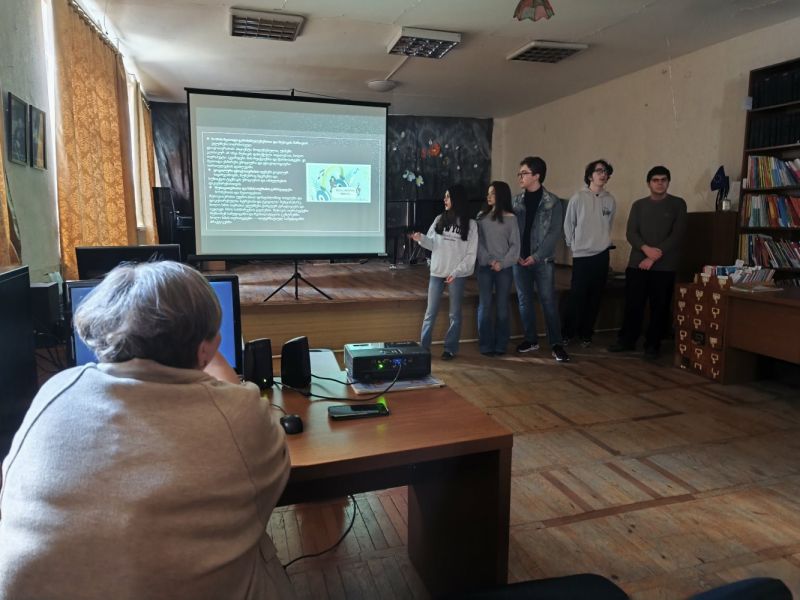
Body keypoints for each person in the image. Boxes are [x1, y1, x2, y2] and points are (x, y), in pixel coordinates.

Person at [0, 262, 295, 600]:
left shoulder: (55, 390)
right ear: (207, 348)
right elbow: (274, 477)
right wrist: (213, 362)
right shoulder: (240, 412)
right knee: (258, 546)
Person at [609, 165, 687, 360]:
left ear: (668, 182)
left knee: (660, 307)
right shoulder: (639, 205)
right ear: (648, 183)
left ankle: (653, 345)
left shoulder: (678, 204)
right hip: (638, 263)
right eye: (655, 180)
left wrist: (653, 256)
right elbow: (631, 233)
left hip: (664, 265)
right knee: (633, 304)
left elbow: (677, 234)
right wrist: (645, 249)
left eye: (663, 180)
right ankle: (627, 340)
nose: (659, 183)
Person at [512, 156, 570, 362]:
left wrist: (536, 256)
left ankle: (556, 344)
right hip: (519, 260)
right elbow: (510, 230)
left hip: (542, 261)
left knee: (548, 301)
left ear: (537, 175)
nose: (520, 177)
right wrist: (516, 254)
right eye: (519, 173)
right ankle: (530, 339)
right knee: (524, 301)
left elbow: (554, 233)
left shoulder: (552, 202)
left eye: (524, 173)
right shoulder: (516, 201)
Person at [411, 184, 478, 360]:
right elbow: (432, 244)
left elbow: (471, 255)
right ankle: (424, 348)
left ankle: (450, 348)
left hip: (457, 275)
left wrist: (456, 272)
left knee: (454, 314)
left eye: (448, 196)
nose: (445, 199)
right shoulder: (439, 219)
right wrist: (421, 239)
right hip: (437, 272)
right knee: (430, 312)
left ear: (457, 199)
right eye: (445, 196)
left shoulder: (471, 225)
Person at [562, 159, 617, 347]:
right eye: (599, 171)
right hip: (582, 255)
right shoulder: (578, 198)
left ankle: (586, 333)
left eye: (606, 171)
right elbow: (569, 224)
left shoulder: (610, 200)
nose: (603, 174)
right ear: (590, 176)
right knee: (577, 296)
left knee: (595, 297)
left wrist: (602, 242)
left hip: (602, 254)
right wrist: (574, 245)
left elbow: (608, 224)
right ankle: (568, 333)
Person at [476, 181, 520, 356]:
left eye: (493, 193)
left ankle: (501, 344)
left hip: (504, 269)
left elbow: (515, 246)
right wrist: (489, 260)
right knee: (485, 305)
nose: (489, 196)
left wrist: (501, 263)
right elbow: (478, 243)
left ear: (501, 195)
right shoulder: (481, 217)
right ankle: (485, 345)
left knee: (502, 306)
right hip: (485, 267)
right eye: (488, 193)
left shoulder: (511, 219)